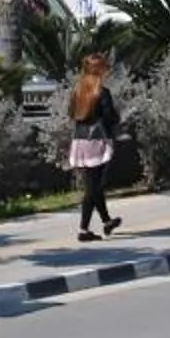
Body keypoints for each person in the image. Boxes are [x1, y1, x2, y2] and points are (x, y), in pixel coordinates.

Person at [67, 53, 125, 242]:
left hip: (80, 140)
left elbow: (71, 113)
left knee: (94, 184)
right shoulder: (102, 91)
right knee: (93, 187)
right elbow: (109, 117)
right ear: (99, 69)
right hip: (97, 141)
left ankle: (107, 221)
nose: (107, 70)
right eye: (104, 67)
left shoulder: (78, 90)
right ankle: (83, 229)